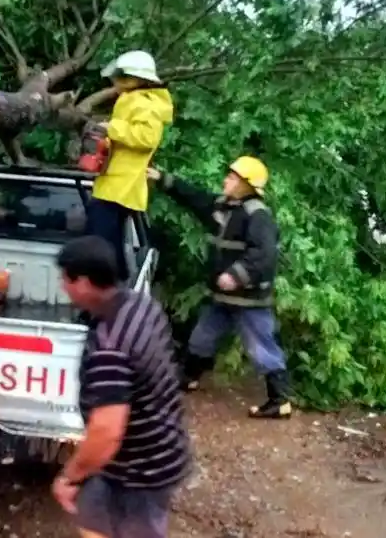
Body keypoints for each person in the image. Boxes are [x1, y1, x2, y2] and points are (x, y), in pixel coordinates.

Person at [52, 235, 191, 538]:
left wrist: (69, 476)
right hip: (137, 456)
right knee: (91, 520)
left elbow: (107, 431)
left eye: (67, 280)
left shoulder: (110, 347)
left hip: (142, 470)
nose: (63, 287)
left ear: (86, 282)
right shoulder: (142, 305)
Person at [147, 156, 293, 419]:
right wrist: (163, 180)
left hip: (248, 298)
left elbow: (264, 255)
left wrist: (236, 276)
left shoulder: (257, 214)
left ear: (247, 186)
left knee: (261, 346)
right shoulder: (224, 207)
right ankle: (188, 377)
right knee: (202, 336)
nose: (226, 179)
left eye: (233, 177)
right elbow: (195, 197)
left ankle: (280, 400)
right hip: (223, 295)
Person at [88, 50, 174, 283]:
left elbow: (146, 138)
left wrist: (112, 129)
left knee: (101, 245)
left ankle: (110, 292)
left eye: (120, 76)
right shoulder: (131, 99)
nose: (115, 81)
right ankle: (115, 289)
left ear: (134, 78)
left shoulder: (145, 103)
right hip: (114, 181)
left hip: (122, 185)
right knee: (108, 244)